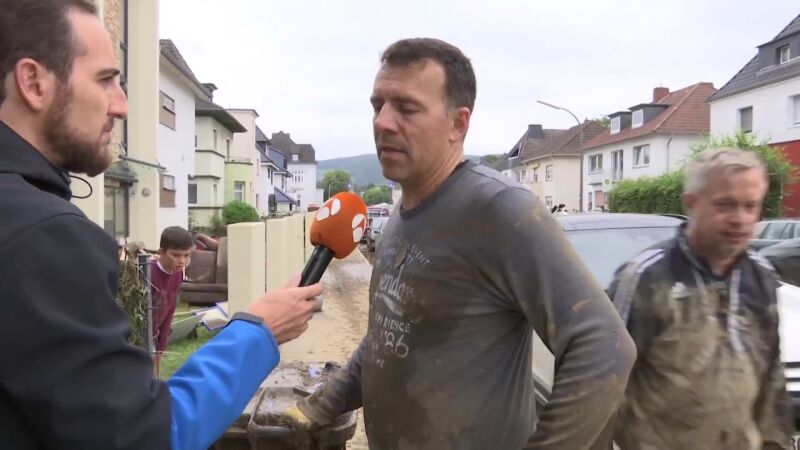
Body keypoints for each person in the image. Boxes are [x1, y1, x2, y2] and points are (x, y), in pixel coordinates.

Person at [0, 1, 322, 449]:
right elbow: (144, 438)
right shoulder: (44, 236)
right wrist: (258, 331)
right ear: (34, 82)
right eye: (105, 80)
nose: (122, 106)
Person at [286, 37, 635, 449]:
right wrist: (321, 406)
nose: (383, 122)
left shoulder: (501, 211)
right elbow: (389, 335)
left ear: (458, 124)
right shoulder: (400, 216)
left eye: (407, 108)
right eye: (378, 105)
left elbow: (604, 347)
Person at [608, 148, 794, 449]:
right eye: (726, 205)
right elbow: (606, 386)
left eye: (750, 206)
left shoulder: (761, 277)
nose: (740, 219)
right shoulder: (647, 278)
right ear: (692, 203)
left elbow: (772, 384)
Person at [150, 226, 194, 376]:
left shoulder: (177, 274)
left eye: (186, 255)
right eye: (176, 255)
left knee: (154, 379)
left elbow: (170, 307)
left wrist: (162, 344)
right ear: (161, 252)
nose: (182, 261)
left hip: (156, 336)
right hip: (140, 337)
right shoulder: (149, 272)